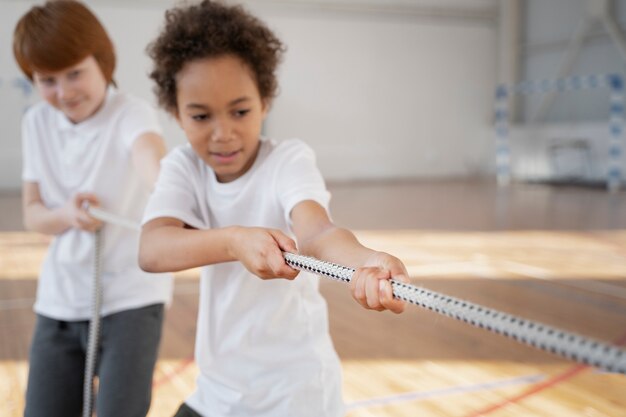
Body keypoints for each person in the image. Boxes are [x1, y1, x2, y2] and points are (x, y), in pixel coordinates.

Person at [140, 1, 410, 416]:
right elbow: (153, 249)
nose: (223, 133)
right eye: (200, 115)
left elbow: (318, 233)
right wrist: (234, 241)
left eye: (240, 111)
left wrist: (368, 261)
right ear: (175, 112)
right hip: (219, 390)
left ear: (265, 101)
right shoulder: (184, 167)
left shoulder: (287, 160)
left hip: (293, 396)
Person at [13, 1, 173, 416]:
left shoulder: (131, 114)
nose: (64, 92)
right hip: (60, 301)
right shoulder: (36, 124)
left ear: (103, 62)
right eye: (47, 81)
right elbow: (33, 213)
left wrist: (172, 197)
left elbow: (152, 162)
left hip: (130, 302)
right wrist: (65, 215)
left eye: (75, 73)